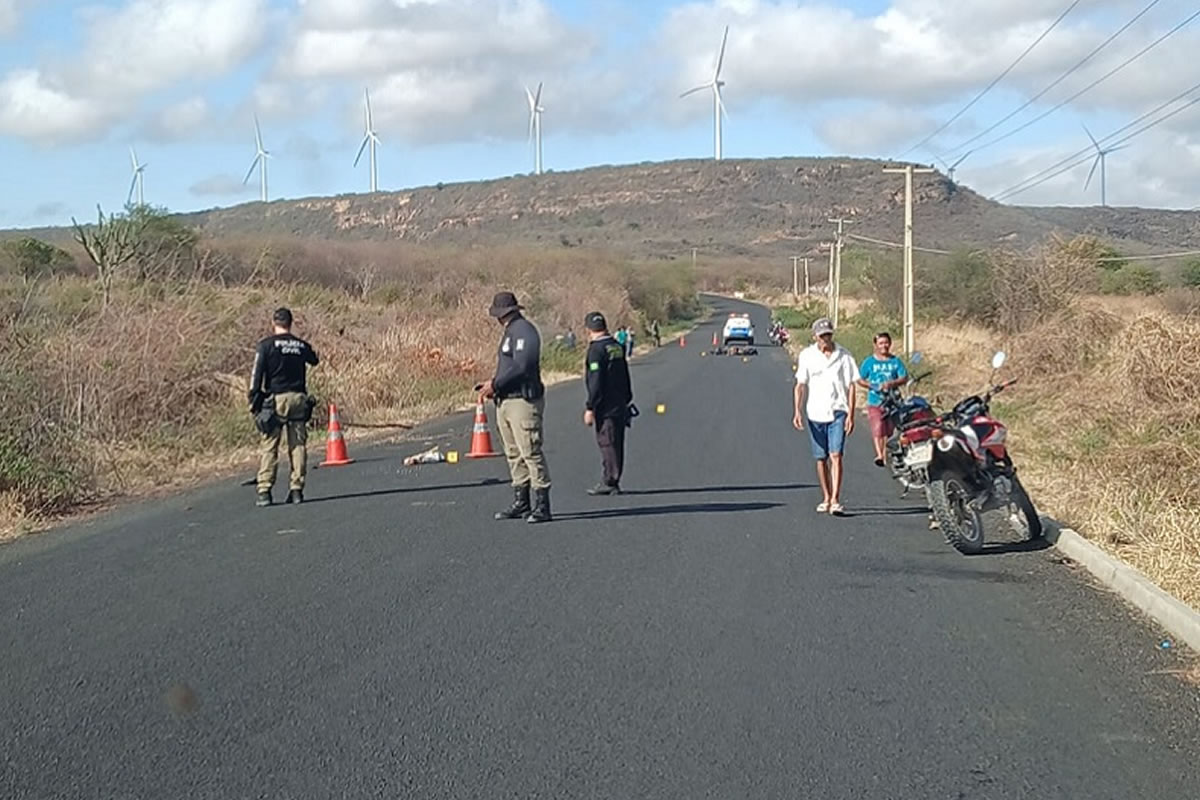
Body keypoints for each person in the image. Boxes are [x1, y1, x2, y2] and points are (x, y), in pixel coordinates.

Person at [479, 291, 553, 524]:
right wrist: (494, 385)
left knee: (530, 450)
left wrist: (495, 384)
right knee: (514, 453)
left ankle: (542, 504)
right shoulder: (511, 332)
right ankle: (522, 501)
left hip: (523, 400)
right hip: (506, 400)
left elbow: (522, 366)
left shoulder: (524, 331)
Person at [249, 307, 319, 507]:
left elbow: (257, 375)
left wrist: (254, 400)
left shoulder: (265, 346)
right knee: (298, 445)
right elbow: (314, 360)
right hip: (298, 399)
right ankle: (297, 490)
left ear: (274, 322)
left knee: (270, 445)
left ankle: (264, 491)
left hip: (276, 400)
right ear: (291, 323)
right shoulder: (300, 345)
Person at [792, 317, 857, 515]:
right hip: (815, 412)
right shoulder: (807, 355)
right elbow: (800, 385)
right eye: (822, 336)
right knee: (821, 458)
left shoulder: (844, 356)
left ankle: (836, 499)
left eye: (828, 335)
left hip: (838, 410)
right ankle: (826, 496)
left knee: (835, 455)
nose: (825, 339)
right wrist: (797, 410)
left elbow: (852, 385)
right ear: (815, 336)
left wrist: (851, 415)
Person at [582, 312, 633, 495]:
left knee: (607, 442)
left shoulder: (596, 350)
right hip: (620, 402)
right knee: (617, 442)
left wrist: (590, 406)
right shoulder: (616, 346)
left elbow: (595, 380)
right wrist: (627, 398)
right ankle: (613, 477)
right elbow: (625, 374)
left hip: (606, 405)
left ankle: (610, 480)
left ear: (588, 330)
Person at [856, 331, 909, 468]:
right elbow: (860, 379)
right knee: (878, 426)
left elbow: (904, 377)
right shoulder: (869, 362)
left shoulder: (895, 361)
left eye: (886, 343)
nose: (884, 346)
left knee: (890, 429)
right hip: (876, 400)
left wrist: (892, 383)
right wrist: (872, 385)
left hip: (893, 401)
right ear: (875, 345)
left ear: (890, 344)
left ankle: (888, 452)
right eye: (881, 343)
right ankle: (880, 454)